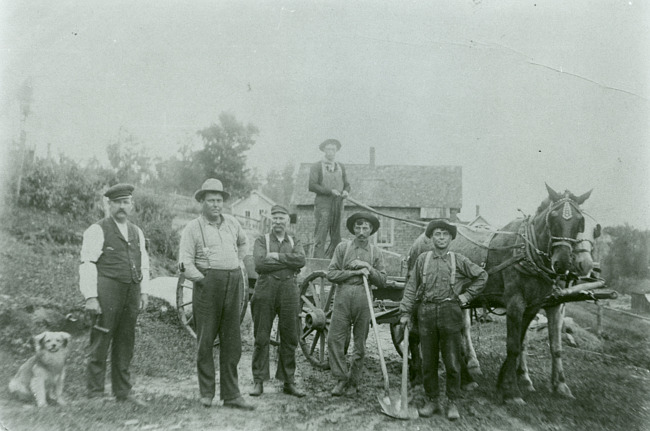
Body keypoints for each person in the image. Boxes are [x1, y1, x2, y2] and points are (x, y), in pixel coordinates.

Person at [399, 219, 487, 420]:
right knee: (428, 361)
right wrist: (405, 313)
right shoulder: (423, 259)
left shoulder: (458, 260)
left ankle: (452, 402)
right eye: (437, 234)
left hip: (450, 312)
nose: (441, 238)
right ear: (431, 238)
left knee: (452, 361)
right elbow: (411, 287)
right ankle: (432, 401)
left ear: (451, 238)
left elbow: (482, 276)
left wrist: (466, 296)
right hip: (427, 312)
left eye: (445, 234)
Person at [178, 178, 253, 410]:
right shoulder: (193, 228)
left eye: (219, 200)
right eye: (211, 200)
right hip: (207, 286)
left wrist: (236, 261)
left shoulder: (232, 223)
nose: (216, 205)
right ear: (202, 202)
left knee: (232, 342)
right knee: (206, 341)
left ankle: (231, 395)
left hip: (233, 283)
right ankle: (206, 393)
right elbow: (184, 262)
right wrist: (203, 279)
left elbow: (243, 244)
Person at [79, 183, 149, 405]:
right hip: (107, 290)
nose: (121, 206)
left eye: (125, 202)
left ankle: (123, 391)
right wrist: (91, 296)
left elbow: (144, 263)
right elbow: (87, 263)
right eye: (117, 202)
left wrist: (144, 292)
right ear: (109, 205)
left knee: (126, 341)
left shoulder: (137, 232)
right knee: (101, 339)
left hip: (132, 290)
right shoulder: (97, 230)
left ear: (132, 205)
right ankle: (94, 393)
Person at [250, 205, 307, 398]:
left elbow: (301, 260)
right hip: (266, 289)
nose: (278, 222)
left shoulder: (295, 240)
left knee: (290, 337)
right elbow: (259, 264)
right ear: (270, 221)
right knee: (261, 336)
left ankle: (288, 381)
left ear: (287, 221)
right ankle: (258, 381)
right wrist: (288, 262)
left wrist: (277, 257)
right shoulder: (261, 240)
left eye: (281, 218)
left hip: (289, 291)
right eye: (274, 218)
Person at [327, 212, 386, 396]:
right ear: (353, 229)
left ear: (371, 231)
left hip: (363, 297)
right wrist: (353, 272)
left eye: (365, 227)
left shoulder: (376, 252)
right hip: (343, 295)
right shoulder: (342, 248)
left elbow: (383, 280)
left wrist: (368, 268)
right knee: (334, 339)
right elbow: (331, 274)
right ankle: (341, 378)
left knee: (359, 343)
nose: (361, 231)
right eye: (358, 227)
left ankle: (354, 381)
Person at [308, 138, 351, 258]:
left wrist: (346, 192)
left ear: (336, 151)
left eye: (333, 149)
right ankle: (317, 263)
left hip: (338, 204)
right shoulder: (316, 166)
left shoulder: (340, 166)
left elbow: (347, 184)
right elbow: (312, 185)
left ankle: (334, 264)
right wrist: (329, 191)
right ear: (324, 150)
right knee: (321, 236)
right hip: (323, 205)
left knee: (336, 237)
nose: (331, 152)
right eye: (328, 149)